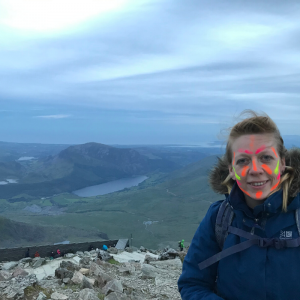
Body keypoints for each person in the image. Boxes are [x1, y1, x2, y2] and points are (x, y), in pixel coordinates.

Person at [178, 111, 300, 300]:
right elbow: (193, 283)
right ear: (232, 170)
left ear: (282, 163)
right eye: (243, 161)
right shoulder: (219, 218)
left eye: (266, 158)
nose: (255, 170)